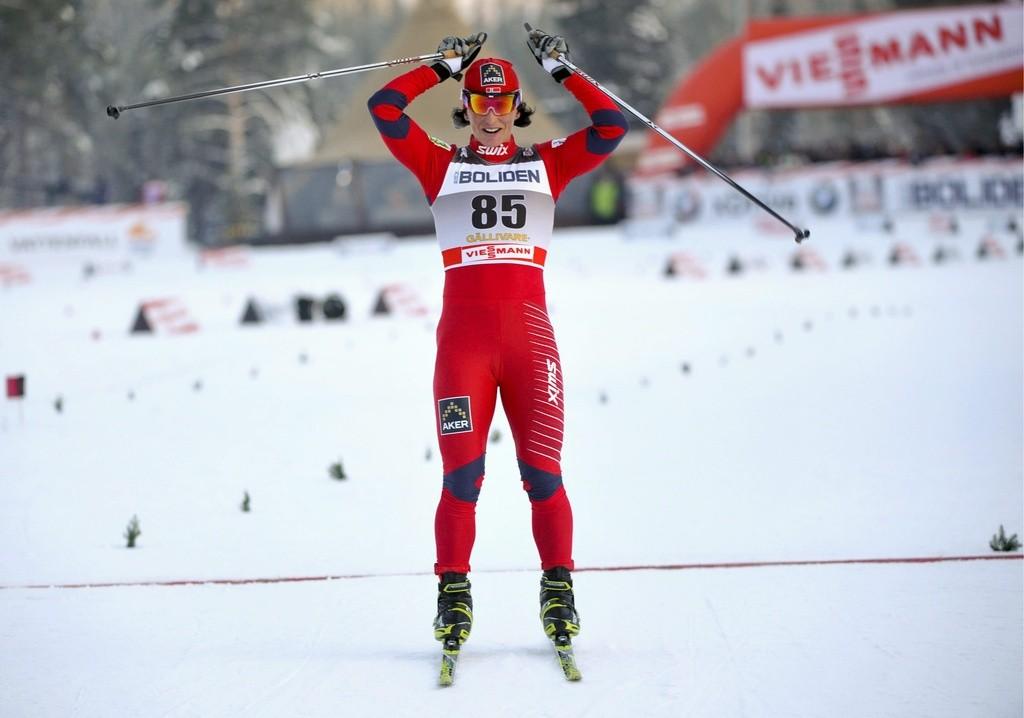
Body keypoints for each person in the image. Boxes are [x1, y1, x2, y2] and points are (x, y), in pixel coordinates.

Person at [367, 28, 627, 650]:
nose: (489, 114)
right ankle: (453, 595)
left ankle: (558, 589)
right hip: (464, 348)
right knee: (462, 480)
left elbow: (611, 126)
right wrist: (440, 66)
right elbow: (384, 108)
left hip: (530, 344)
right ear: (468, 107)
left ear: (516, 107)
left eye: (501, 102)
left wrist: (563, 71)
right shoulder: (440, 163)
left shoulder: (549, 161)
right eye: (479, 103)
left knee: (542, 475)